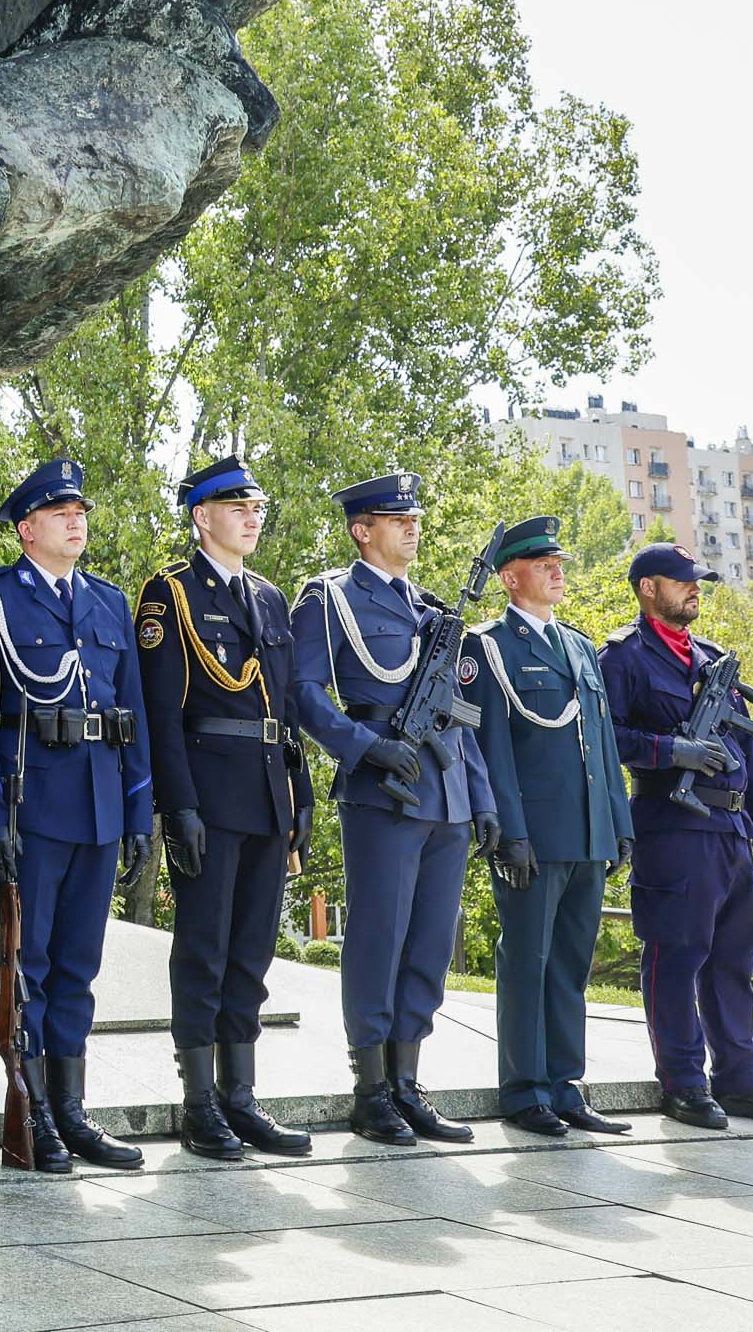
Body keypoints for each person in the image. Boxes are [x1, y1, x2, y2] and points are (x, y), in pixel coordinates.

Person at [0, 459, 154, 1172]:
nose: (77, 520)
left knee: (78, 967)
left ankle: (71, 1110)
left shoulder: (108, 603)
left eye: (81, 510)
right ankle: (32, 1112)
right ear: (26, 527)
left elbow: (133, 719)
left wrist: (138, 812)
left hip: (99, 806)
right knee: (26, 968)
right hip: (33, 807)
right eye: (60, 511)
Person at [291, 471, 497, 1144]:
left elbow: (458, 717)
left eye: (415, 517)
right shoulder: (330, 600)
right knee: (379, 938)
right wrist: (366, 748)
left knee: (431, 945)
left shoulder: (434, 612)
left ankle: (409, 1083)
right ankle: (371, 1088)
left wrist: (483, 799)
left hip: (446, 795)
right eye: (395, 518)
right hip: (382, 789)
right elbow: (307, 695)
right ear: (362, 530)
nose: (412, 527)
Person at [133, 455, 311, 1161]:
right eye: (238, 507)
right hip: (209, 794)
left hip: (267, 794)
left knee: (252, 955)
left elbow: (286, 708)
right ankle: (200, 1103)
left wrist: (299, 798)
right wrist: (178, 807)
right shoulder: (169, 594)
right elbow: (162, 711)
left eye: (257, 507)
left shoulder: (268, 598)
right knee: (204, 952)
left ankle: (241, 1099)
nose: (252, 518)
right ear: (202, 517)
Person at [601, 542, 753, 1130]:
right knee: (677, 957)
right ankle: (685, 1083)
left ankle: (741, 1081)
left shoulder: (713, 659)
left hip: (730, 828)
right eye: (683, 581)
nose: (695, 589)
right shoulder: (623, 658)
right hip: (672, 825)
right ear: (649, 588)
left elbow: (747, 748)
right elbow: (604, 738)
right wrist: (671, 749)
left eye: (699, 581)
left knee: (733, 963)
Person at [459, 515, 631, 1138]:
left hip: (587, 832)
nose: (559, 570)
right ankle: (525, 1089)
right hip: (534, 833)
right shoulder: (487, 648)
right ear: (510, 577)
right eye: (543, 564)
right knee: (526, 961)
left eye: (559, 561)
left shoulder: (581, 647)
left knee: (571, 965)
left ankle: (566, 1083)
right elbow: (491, 746)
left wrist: (619, 820)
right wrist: (509, 831)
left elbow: (603, 743)